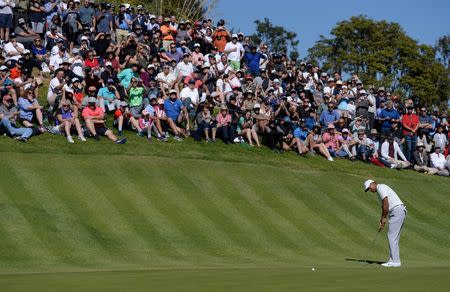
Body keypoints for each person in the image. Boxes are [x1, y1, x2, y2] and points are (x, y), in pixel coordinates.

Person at [363, 179, 407, 267]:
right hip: (398, 211)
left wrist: (383, 218)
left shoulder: (381, 187)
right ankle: (394, 260)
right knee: (394, 237)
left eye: (369, 188)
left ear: (373, 183)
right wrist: (383, 219)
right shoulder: (380, 190)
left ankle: (395, 261)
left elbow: (385, 204)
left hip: (397, 211)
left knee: (391, 236)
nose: (370, 191)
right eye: (368, 190)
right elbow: (384, 206)